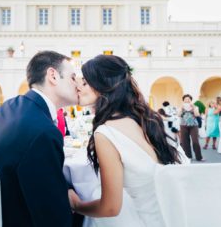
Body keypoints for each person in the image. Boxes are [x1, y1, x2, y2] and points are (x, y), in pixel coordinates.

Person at [69, 55, 180, 226]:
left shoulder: (105, 133)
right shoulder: (146, 119)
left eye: (84, 82)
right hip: (171, 217)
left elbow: (110, 207)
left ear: (103, 86)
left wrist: (77, 205)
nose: (78, 87)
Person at [0, 51, 79, 227]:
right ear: (53, 75)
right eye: (73, 77)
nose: (77, 84)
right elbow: (54, 216)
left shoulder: (8, 107)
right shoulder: (43, 131)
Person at [179, 94, 204, 161]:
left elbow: (197, 115)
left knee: (195, 141)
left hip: (193, 125)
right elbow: (179, 115)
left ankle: (199, 157)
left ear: (191, 100)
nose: (187, 100)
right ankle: (188, 157)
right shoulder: (181, 107)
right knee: (185, 142)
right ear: (183, 100)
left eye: (188, 99)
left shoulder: (195, 107)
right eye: (185, 99)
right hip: (183, 125)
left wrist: (193, 107)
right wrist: (181, 108)